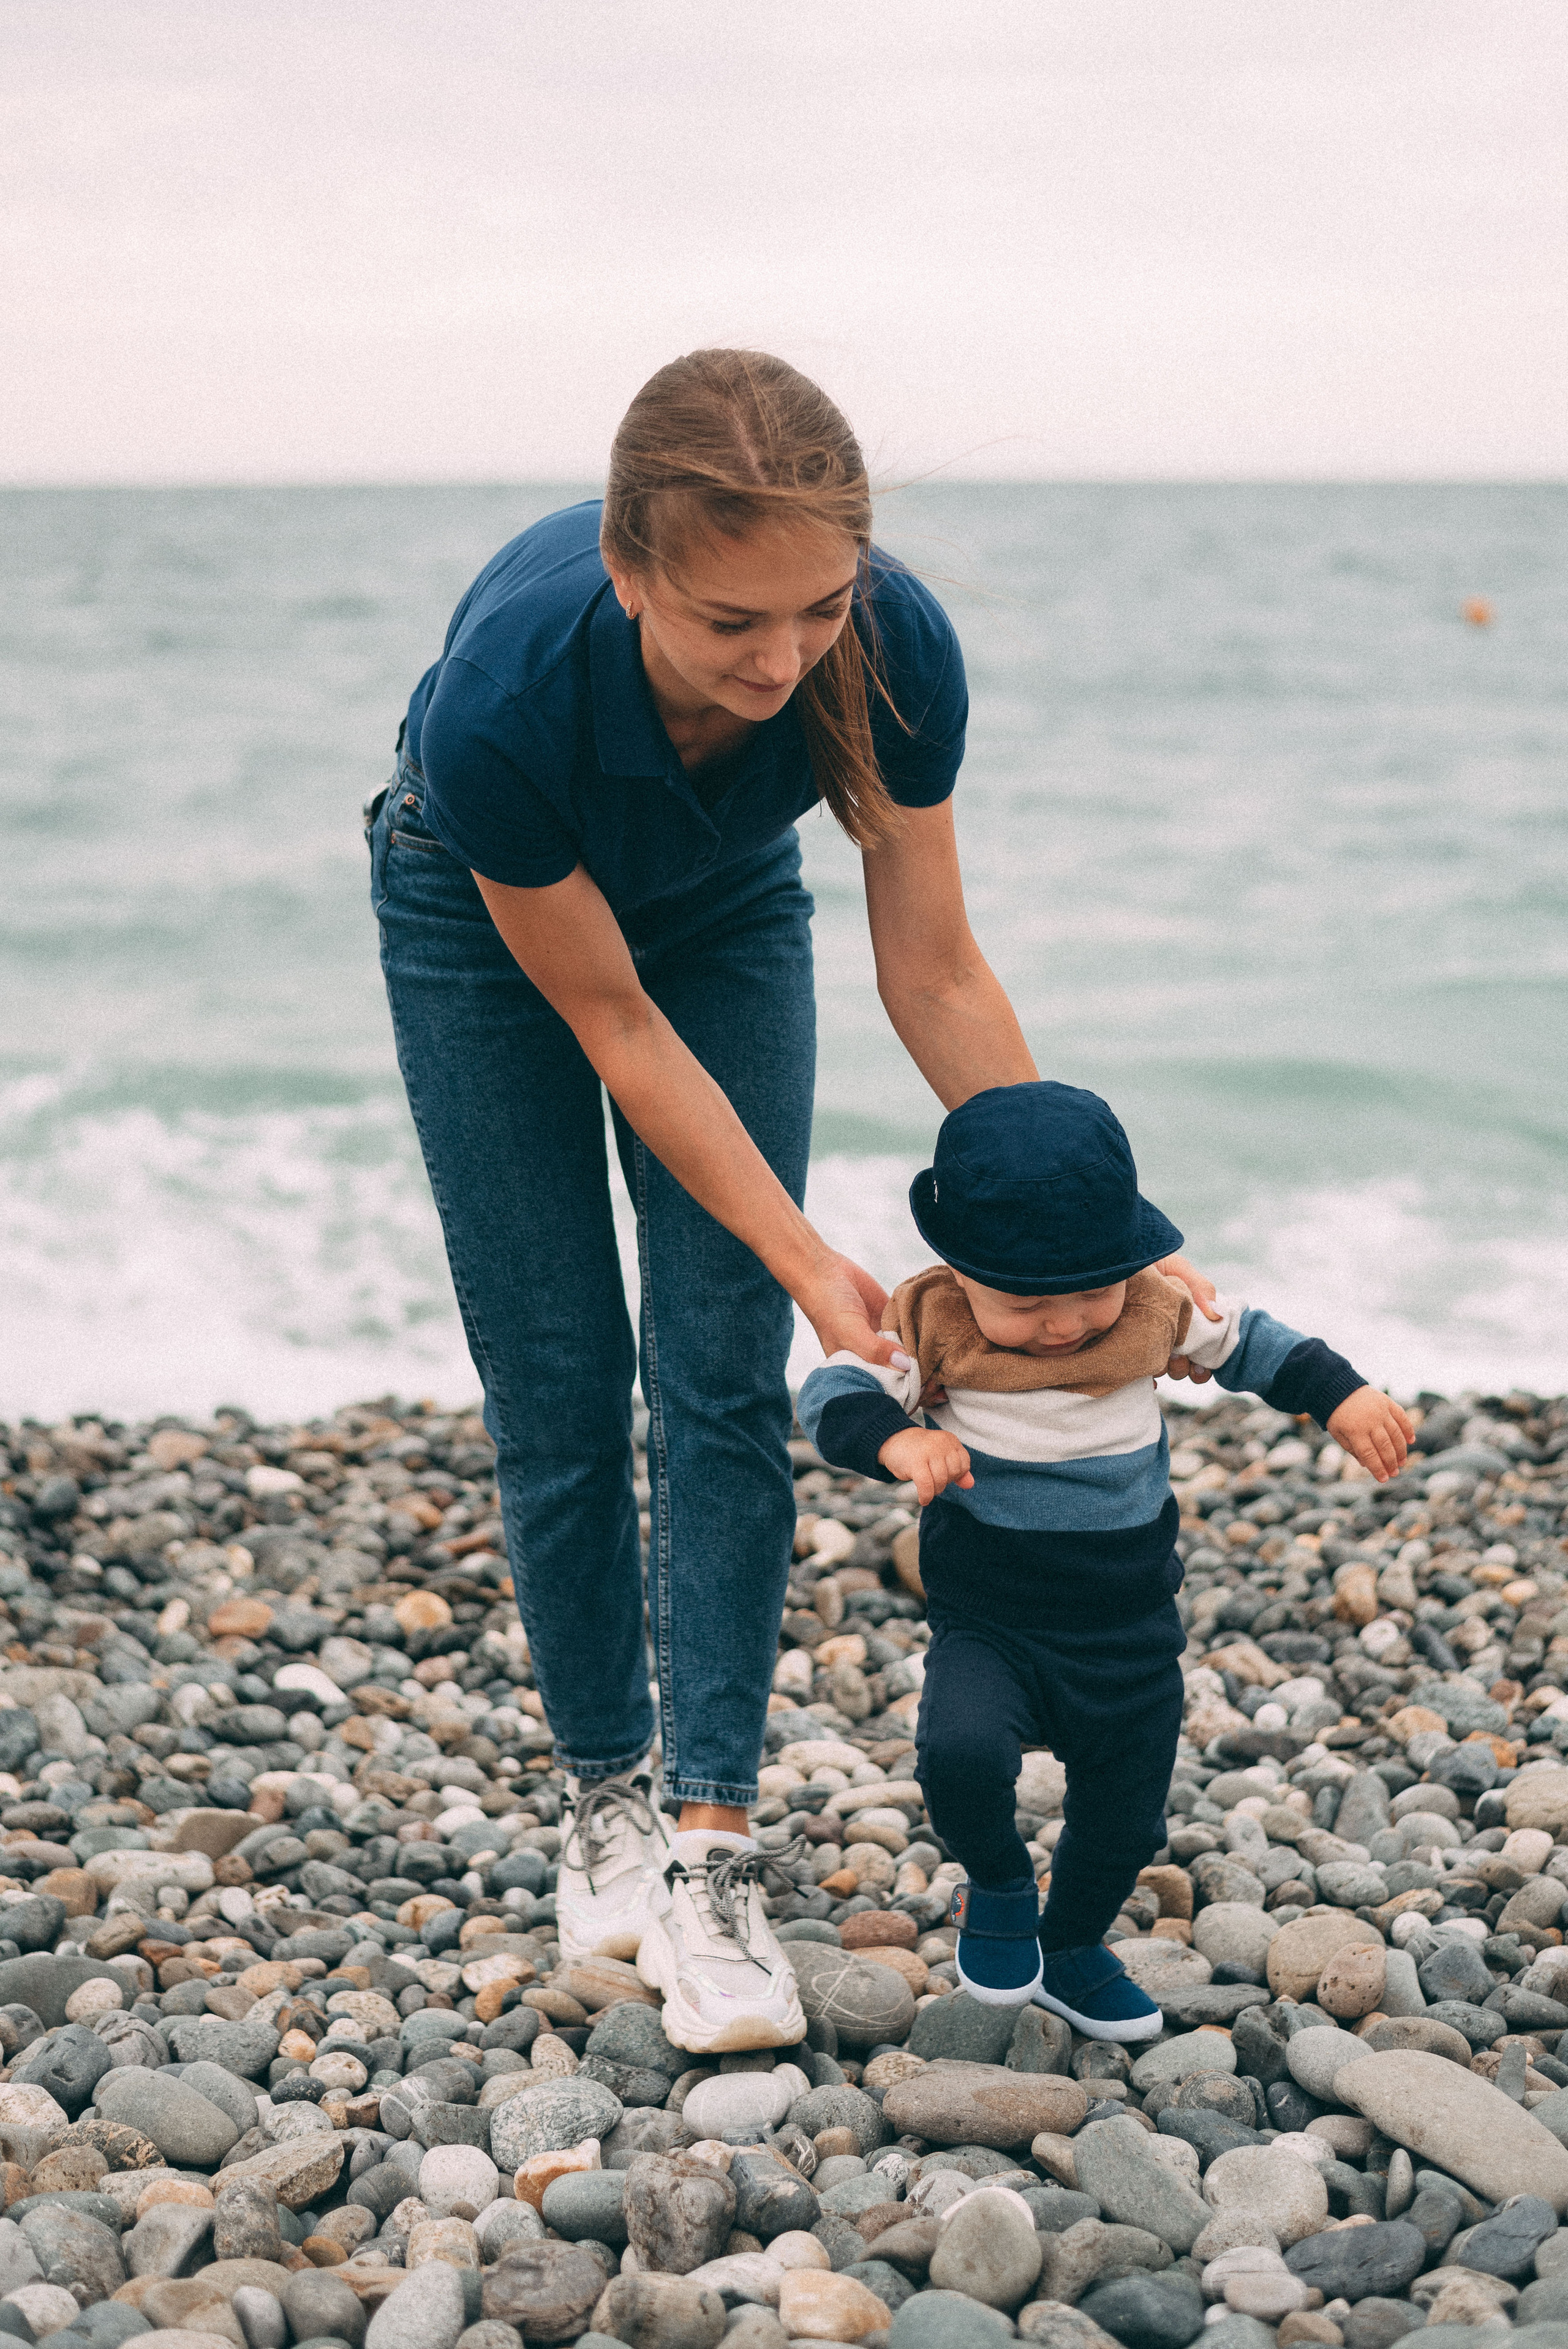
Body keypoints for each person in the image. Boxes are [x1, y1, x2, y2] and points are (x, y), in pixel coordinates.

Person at [369, 349, 1216, 2053]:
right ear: (630, 576)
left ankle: (712, 1844)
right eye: (731, 624)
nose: (782, 663)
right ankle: (603, 1787)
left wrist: (1095, 1224)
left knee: (720, 1366)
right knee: (555, 1371)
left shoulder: (891, 653)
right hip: (485, 922)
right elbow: (607, 1019)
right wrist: (810, 1243)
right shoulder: (505, 704)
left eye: (817, 610)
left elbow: (939, 967)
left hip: (727, 905)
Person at [797, 1081, 1411, 2039]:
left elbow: (1253, 1342)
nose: (1065, 1323)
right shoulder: (936, 1324)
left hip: (1126, 1629)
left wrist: (1340, 1394)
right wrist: (895, 1442)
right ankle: (999, 1887)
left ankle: (1074, 1946)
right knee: (958, 1753)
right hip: (988, 1621)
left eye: (1092, 1288)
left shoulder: (1154, 1310)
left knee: (1126, 1820)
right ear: (958, 1271)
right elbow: (833, 1389)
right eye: (1029, 1302)